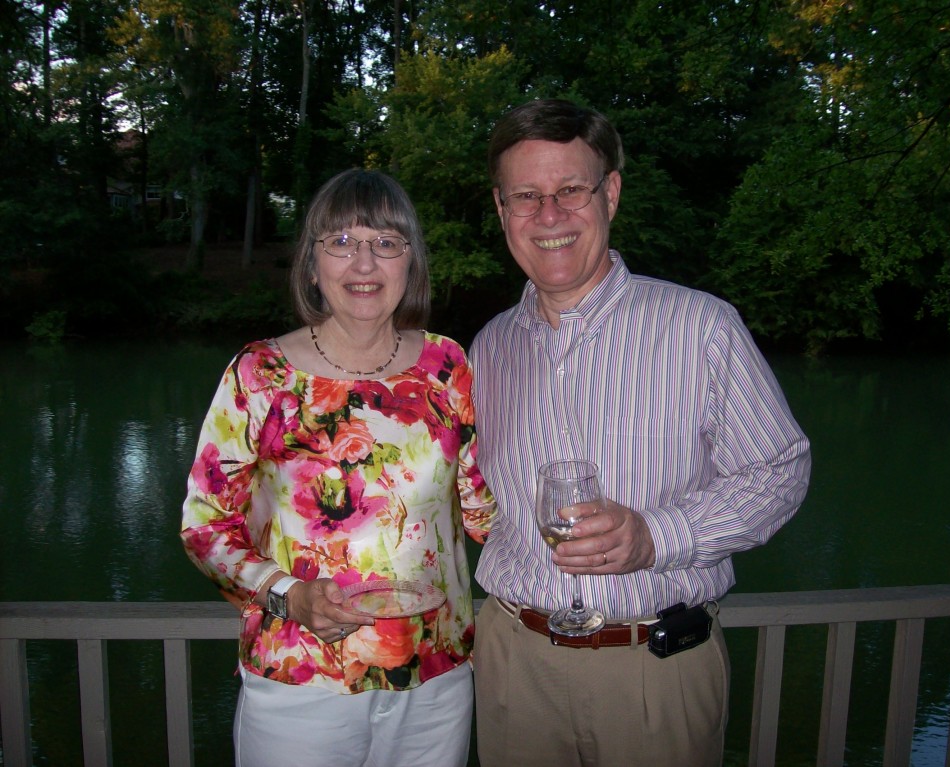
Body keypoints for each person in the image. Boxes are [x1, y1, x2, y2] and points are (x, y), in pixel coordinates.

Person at [469, 98, 812, 767]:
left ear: (612, 193)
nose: (549, 215)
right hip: (513, 668)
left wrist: (658, 535)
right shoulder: (485, 351)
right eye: (526, 196)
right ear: (502, 209)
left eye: (571, 190)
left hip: (654, 674)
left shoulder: (702, 328)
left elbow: (781, 469)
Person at [181, 168, 494, 767]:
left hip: (434, 677)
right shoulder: (260, 375)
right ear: (312, 261)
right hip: (300, 680)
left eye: (386, 242)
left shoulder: (446, 365)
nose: (365, 263)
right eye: (342, 242)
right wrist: (288, 595)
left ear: (411, 261)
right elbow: (204, 528)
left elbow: (481, 510)